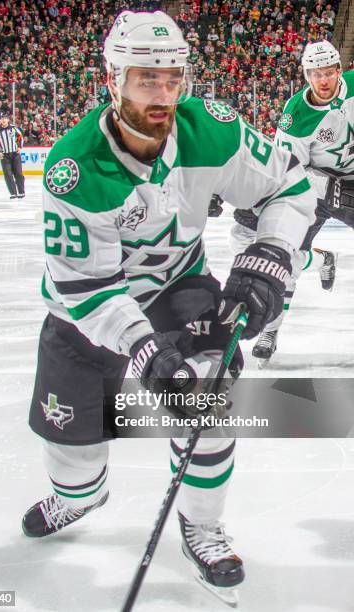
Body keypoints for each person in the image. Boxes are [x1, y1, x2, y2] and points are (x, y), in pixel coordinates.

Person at [21, 10, 315, 603]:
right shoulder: (74, 168)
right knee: (71, 458)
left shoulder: (211, 129)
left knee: (208, 396)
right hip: (85, 313)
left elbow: (289, 186)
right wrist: (145, 349)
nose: (162, 93)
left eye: (172, 77)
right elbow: (87, 289)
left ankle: (201, 524)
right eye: (145, 78)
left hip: (179, 288)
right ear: (113, 78)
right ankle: (81, 495)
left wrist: (272, 253)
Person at [231, 40, 351, 366]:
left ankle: (323, 256)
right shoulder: (295, 116)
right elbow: (289, 171)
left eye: (328, 72)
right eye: (315, 74)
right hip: (321, 188)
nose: (323, 80)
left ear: (340, 70)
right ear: (305, 74)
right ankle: (271, 329)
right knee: (288, 258)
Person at [0, 112, 25, 199]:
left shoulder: (14, 128)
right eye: (2, 118)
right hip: (4, 156)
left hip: (15, 154)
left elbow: (20, 137)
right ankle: (13, 193)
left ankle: (21, 192)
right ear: (0, 120)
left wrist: (20, 147)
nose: (3, 120)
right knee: (8, 174)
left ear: (8, 120)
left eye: (5, 118)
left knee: (18, 173)